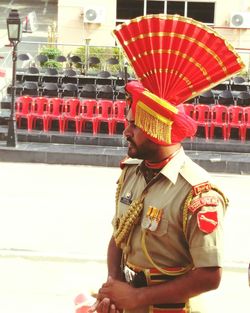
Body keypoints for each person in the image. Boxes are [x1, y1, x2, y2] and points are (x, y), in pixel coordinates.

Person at [90, 14, 244, 313]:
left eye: (134, 125)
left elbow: (209, 276)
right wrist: (113, 286)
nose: (126, 132)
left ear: (155, 128)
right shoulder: (132, 172)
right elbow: (118, 235)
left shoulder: (199, 194)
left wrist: (137, 298)